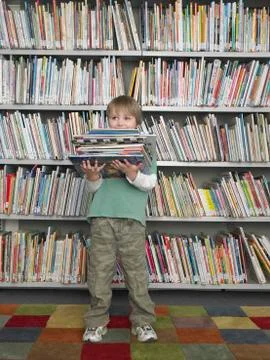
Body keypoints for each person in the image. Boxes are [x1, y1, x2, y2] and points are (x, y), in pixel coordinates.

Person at [81, 95, 158, 343]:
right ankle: (95, 323)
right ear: (107, 121)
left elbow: (149, 184)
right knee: (99, 272)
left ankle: (143, 322)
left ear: (136, 122)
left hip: (131, 220)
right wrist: (92, 176)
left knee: (136, 273)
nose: (120, 122)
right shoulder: (99, 146)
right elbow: (94, 189)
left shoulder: (145, 148)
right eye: (114, 117)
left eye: (127, 117)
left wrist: (132, 174)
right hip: (102, 217)